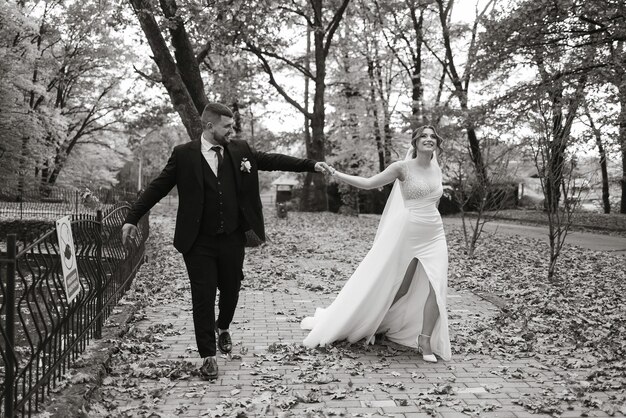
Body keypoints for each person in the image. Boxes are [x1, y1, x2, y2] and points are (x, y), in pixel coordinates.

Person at [122, 103, 332, 379]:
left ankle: (223, 327)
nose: (232, 130)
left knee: (231, 289)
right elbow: (158, 187)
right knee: (203, 296)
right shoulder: (184, 155)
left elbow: (271, 160)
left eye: (232, 126)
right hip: (197, 240)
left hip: (232, 236)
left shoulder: (240, 150)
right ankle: (208, 355)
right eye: (227, 126)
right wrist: (132, 218)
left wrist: (311, 165)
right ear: (209, 127)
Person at [301, 125, 451, 362]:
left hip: (434, 234)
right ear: (415, 141)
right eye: (423, 136)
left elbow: (433, 199)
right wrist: (338, 174)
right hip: (408, 232)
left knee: (437, 284)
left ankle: (424, 339)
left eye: (433, 136)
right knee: (400, 286)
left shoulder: (436, 168)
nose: (429, 139)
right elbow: (370, 183)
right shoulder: (401, 168)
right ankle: (372, 320)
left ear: (437, 143)